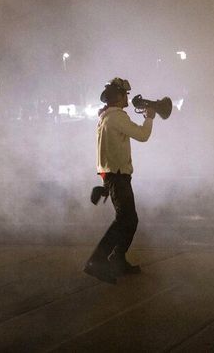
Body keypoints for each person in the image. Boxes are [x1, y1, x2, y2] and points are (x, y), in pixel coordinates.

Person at [84, 78, 155, 284]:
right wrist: (149, 118)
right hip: (117, 175)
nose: (128, 98)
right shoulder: (116, 117)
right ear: (118, 96)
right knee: (126, 219)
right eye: (125, 94)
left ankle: (117, 259)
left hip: (113, 174)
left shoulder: (106, 117)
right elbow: (142, 135)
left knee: (128, 219)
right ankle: (97, 261)